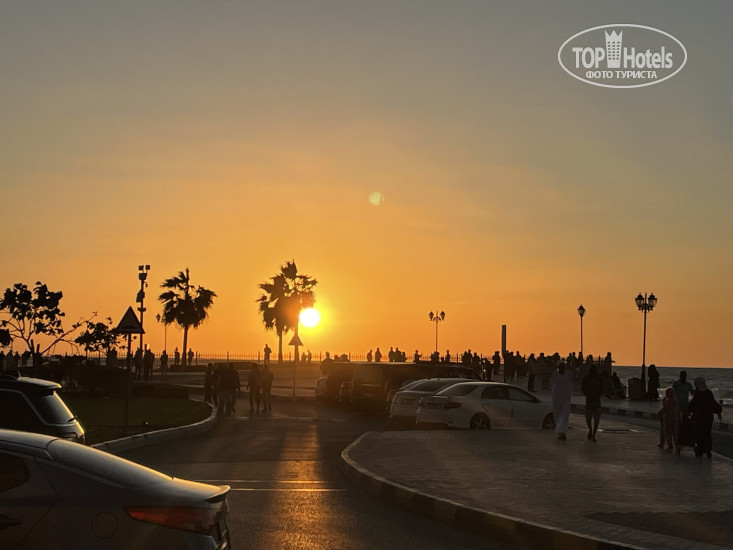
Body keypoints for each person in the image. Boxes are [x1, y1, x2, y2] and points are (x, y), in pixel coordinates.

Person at [688, 377, 722, 458]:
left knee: (699, 434)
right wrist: (719, 411)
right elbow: (713, 403)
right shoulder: (709, 393)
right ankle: (708, 451)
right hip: (708, 417)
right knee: (707, 434)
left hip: (698, 418)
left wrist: (688, 411)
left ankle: (700, 450)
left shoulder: (697, 393)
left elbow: (692, 404)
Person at [552, 360, 574, 441]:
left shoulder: (568, 374)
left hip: (566, 398)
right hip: (557, 398)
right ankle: (560, 433)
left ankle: (562, 432)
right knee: (558, 415)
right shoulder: (555, 374)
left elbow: (571, 383)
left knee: (564, 415)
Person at [582, 363, 604, 442]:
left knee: (594, 420)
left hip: (595, 403)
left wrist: (597, 394)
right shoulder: (586, 378)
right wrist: (588, 394)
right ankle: (591, 431)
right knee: (590, 420)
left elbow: (602, 388)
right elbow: (583, 388)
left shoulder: (599, 378)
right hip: (590, 402)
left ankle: (593, 434)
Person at [658, 387, 679, 453]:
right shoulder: (675, 401)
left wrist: (663, 404)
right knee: (674, 433)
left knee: (668, 433)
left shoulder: (669, 401)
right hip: (674, 418)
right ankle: (676, 446)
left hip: (668, 419)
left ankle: (670, 446)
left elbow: (666, 409)